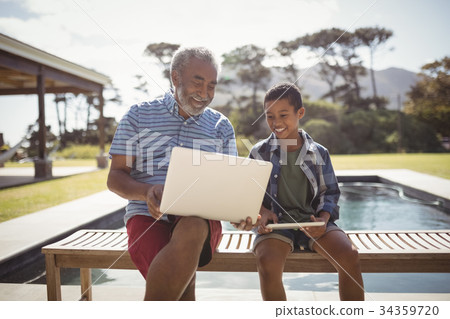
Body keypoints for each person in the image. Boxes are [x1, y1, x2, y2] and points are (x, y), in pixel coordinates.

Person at [107, 47, 237, 301]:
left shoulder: (221, 126)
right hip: (146, 218)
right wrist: (146, 192)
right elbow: (115, 177)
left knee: (193, 225)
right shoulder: (137, 116)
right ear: (175, 78)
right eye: (197, 81)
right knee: (179, 284)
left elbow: (228, 187)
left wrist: (238, 213)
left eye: (211, 85)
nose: (205, 93)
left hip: (202, 220)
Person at [241, 82, 364, 301]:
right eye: (270, 116)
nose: (276, 123)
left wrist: (323, 220)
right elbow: (248, 192)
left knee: (350, 256)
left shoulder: (319, 153)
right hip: (276, 226)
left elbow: (330, 193)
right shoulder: (259, 152)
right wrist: (262, 211)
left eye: (283, 115)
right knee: (267, 262)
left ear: (300, 113)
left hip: (313, 221)